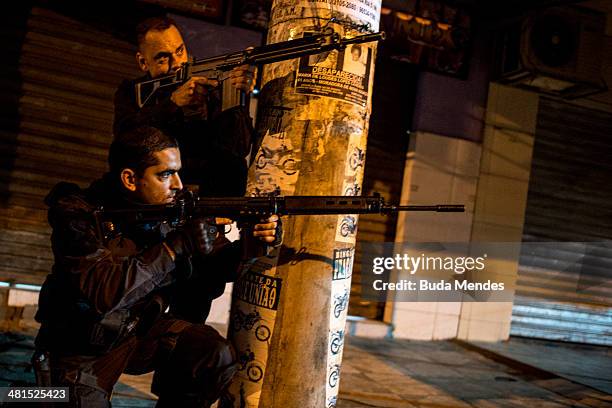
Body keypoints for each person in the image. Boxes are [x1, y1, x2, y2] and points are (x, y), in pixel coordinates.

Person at [33, 126, 279, 407]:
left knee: (212, 352)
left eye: (177, 172)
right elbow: (104, 293)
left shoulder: (174, 209)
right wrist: (173, 248)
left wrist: (253, 246)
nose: (178, 184)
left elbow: (215, 267)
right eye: (165, 174)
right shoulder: (78, 215)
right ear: (129, 178)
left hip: (137, 334)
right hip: (78, 348)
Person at [113, 16, 257, 196]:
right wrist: (172, 104)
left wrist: (239, 92)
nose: (177, 64)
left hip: (214, 197)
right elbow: (123, 141)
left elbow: (239, 149)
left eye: (180, 51)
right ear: (143, 62)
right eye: (163, 59)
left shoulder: (208, 83)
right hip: (162, 197)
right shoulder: (131, 92)